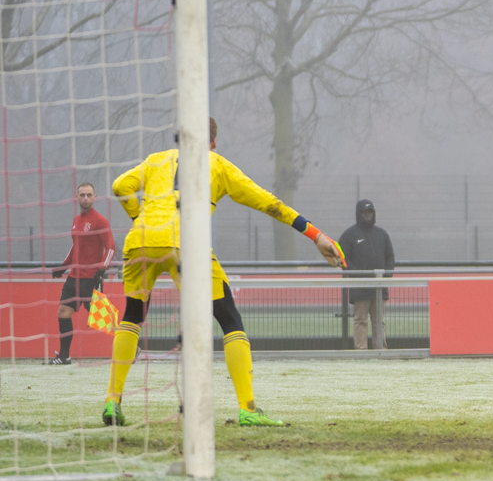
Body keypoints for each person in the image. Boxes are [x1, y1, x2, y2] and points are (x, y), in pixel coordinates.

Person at [103, 118, 345, 427]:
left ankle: (113, 402)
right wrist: (316, 235)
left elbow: (120, 186)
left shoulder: (156, 160)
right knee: (228, 318)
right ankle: (248, 408)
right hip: (185, 243)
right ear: (213, 142)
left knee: (133, 314)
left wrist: (139, 217)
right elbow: (269, 203)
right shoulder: (217, 165)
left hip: (140, 241)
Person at [49, 183, 116, 365]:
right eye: (82, 195)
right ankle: (64, 356)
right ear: (77, 198)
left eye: (89, 195)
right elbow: (75, 247)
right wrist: (64, 267)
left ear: (95, 197)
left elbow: (111, 247)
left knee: (103, 320)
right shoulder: (76, 219)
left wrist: (102, 269)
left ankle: (132, 348)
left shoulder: (100, 221)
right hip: (73, 278)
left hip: (90, 279)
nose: (85, 198)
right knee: (63, 312)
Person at [339, 200, 395, 349]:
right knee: (360, 320)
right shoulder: (349, 235)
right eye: (364, 212)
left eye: (370, 212)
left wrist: (386, 276)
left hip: (379, 287)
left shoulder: (382, 234)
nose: (367, 215)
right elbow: (343, 258)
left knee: (378, 321)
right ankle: (361, 352)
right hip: (360, 287)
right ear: (359, 214)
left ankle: (380, 351)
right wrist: (357, 275)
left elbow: (390, 257)